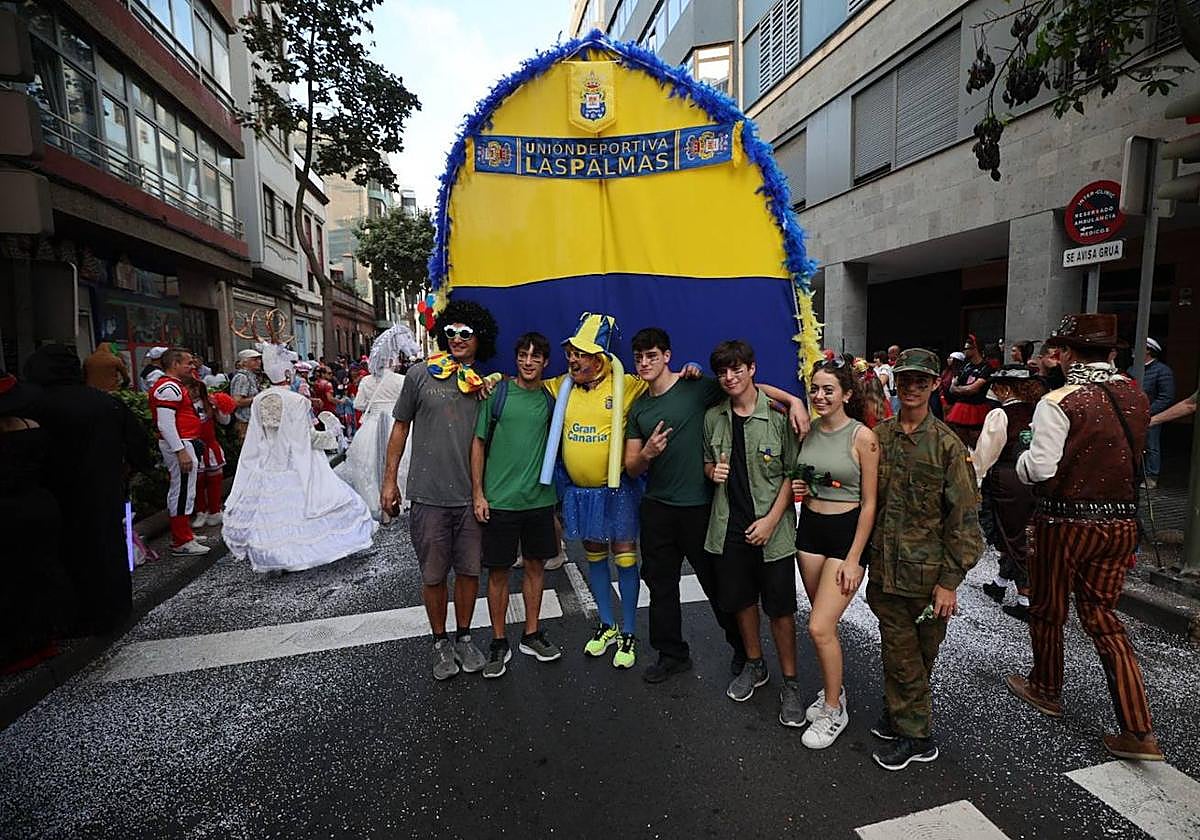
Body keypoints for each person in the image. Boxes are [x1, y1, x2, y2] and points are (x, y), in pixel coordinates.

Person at [1009, 313, 1163, 762]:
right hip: (1121, 523)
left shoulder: (1058, 400)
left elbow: (1041, 468)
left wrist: (1021, 463)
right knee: (1103, 617)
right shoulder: (1135, 395)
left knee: (1048, 607)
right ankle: (1138, 730)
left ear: (1068, 354)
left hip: (1064, 522)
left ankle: (1045, 687)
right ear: (1111, 354)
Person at [625, 327, 809, 684]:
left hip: (700, 506)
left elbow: (746, 389)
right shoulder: (639, 408)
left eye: (652, 355)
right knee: (660, 585)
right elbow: (631, 466)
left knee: (720, 586)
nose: (645, 363)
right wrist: (646, 453)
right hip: (658, 507)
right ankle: (671, 654)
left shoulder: (696, 388)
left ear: (667, 356)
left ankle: (744, 652)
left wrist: (794, 401)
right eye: (639, 358)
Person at [867, 348, 982, 771]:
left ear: (935, 384)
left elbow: (965, 521)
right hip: (886, 572)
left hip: (928, 578)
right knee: (900, 653)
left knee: (918, 656)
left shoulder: (947, 446)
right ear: (895, 383)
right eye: (905, 380)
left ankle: (910, 726)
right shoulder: (879, 437)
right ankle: (911, 727)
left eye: (921, 381)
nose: (912, 388)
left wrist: (949, 583)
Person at [380, 299, 502, 681]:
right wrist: (389, 481)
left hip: (470, 498)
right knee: (433, 576)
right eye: (451, 331)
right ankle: (439, 642)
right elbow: (400, 428)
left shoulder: (486, 385)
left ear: (480, 338)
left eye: (466, 333)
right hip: (428, 496)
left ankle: (464, 637)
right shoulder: (419, 375)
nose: (457, 338)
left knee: (468, 573)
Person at [702, 340, 800, 723]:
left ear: (752, 369)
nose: (730, 377)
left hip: (773, 530)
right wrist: (711, 471)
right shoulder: (713, 417)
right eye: (723, 372)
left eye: (737, 369)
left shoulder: (779, 415)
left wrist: (772, 520)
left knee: (780, 610)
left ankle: (791, 683)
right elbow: (707, 461)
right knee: (742, 602)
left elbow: (793, 473)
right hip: (729, 527)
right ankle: (755, 665)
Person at [24, 344, 153, 636]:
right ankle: (115, 610)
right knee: (107, 546)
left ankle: (73, 618)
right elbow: (138, 442)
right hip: (104, 489)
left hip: (56, 493)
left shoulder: (34, 406)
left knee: (66, 553)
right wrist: (131, 469)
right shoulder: (106, 403)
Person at [547, 313, 651, 670]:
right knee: (594, 557)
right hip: (581, 493)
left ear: (600, 358)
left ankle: (629, 631)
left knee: (625, 558)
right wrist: (495, 378)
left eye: (582, 354)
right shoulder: (561, 385)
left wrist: (692, 371)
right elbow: (526, 383)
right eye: (571, 353)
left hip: (618, 491)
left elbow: (664, 381)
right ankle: (607, 625)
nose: (573, 360)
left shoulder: (627, 384)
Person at [223, 338, 375, 573]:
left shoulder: (260, 399)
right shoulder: (297, 400)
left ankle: (276, 554)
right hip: (297, 462)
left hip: (268, 463)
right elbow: (307, 438)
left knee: (272, 514)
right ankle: (302, 552)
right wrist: (332, 433)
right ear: (287, 372)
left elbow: (258, 435)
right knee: (312, 503)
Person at [792, 355, 879, 747]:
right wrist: (802, 485)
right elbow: (806, 477)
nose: (820, 396)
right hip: (809, 530)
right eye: (815, 389)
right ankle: (835, 689)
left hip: (846, 536)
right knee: (821, 624)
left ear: (846, 394)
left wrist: (855, 558)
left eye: (829, 390)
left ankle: (833, 709)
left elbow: (870, 503)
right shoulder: (808, 429)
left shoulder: (863, 437)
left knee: (819, 626)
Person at [471, 332, 564, 678]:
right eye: (523, 355)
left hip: (539, 500)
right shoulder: (497, 394)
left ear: (545, 362)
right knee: (498, 573)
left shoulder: (551, 399)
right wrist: (478, 494)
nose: (528, 362)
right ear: (516, 358)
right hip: (500, 500)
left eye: (535, 356)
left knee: (536, 567)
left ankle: (531, 634)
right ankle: (498, 641)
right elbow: (478, 444)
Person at [0, 370, 68, 670]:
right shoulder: (32, 426)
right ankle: (44, 638)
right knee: (41, 570)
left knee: (10, 578)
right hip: (38, 504)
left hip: (6, 511)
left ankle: (17, 648)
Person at [973, 366, 1045, 621]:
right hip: (1035, 479)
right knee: (1024, 532)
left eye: (995, 387)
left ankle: (1026, 599)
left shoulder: (1000, 415)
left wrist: (975, 480)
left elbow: (985, 453)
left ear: (1005, 389)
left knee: (1012, 536)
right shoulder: (1040, 411)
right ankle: (1000, 583)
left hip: (1007, 480)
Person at [337, 323, 420, 521]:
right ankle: (399, 500)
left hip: (371, 425)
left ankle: (375, 502)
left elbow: (358, 405)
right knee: (399, 462)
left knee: (369, 465)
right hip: (395, 423)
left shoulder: (366, 381)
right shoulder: (400, 380)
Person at [149, 349, 210, 557]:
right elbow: (165, 423)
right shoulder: (169, 388)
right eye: (188, 363)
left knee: (184, 490)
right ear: (175, 364)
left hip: (183, 442)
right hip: (181, 443)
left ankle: (184, 535)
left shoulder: (172, 386)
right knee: (182, 490)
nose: (192, 367)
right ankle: (181, 540)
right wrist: (180, 450)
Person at [186, 366, 230, 530]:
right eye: (190, 387)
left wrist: (220, 407)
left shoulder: (208, 402)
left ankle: (215, 511)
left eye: (196, 387)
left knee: (215, 480)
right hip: (193, 447)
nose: (194, 391)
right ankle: (200, 512)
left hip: (210, 446)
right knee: (197, 482)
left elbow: (225, 421)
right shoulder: (183, 406)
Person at [1129, 338, 1174, 489]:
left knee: (1151, 446)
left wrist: (1148, 412)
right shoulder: (1132, 369)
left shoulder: (1162, 371)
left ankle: (1151, 476)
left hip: (1152, 415)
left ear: (1148, 350)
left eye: (1136, 348)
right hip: (1133, 414)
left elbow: (1166, 397)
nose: (1133, 351)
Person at [946, 335, 993, 448]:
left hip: (977, 407)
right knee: (960, 439)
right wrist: (963, 389)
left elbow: (973, 389)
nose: (964, 351)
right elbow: (952, 387)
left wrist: (959, 389)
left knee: (975, 439)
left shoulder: (986, 368)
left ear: (975, 349)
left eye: (966, 348)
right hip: (962, 407)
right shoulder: (966, 367)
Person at [229, 348, 264, 442]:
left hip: (252, 421)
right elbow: (237, 401)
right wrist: (259, 397)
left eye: (259, 359)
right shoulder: (242, 377)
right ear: (245, 363)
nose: (259, 362)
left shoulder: (251, 376)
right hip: (245, 422)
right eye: (254, 360)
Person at [872, 351, 896, 415]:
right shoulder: (878, 367)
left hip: (885, 396)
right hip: (878, 397)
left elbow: (880, 383)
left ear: (881, 358)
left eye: (876, 358)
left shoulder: (885, 368)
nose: (874, 360)